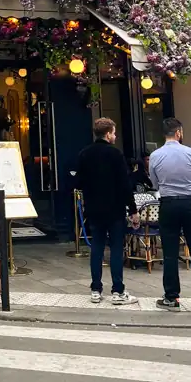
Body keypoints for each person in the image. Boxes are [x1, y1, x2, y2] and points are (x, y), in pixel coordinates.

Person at [149, 117, 191, 313]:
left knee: (169, 252)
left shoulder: (155, 155)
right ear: (178, 133)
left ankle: (171, 297)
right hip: (190, 202)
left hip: (168, 203)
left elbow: (155, 183)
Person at [76, 117, 140, 306]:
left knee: (96, 247)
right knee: (116, 248)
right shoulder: (115, 154)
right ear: (108, 134)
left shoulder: (84, 154)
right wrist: (133, 210)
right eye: (113, 132)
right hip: (114, 208)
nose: (115, 135)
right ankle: (117, 290)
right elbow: (125, 184)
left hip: (94, 208)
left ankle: (96, 289)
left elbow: (78, 182)